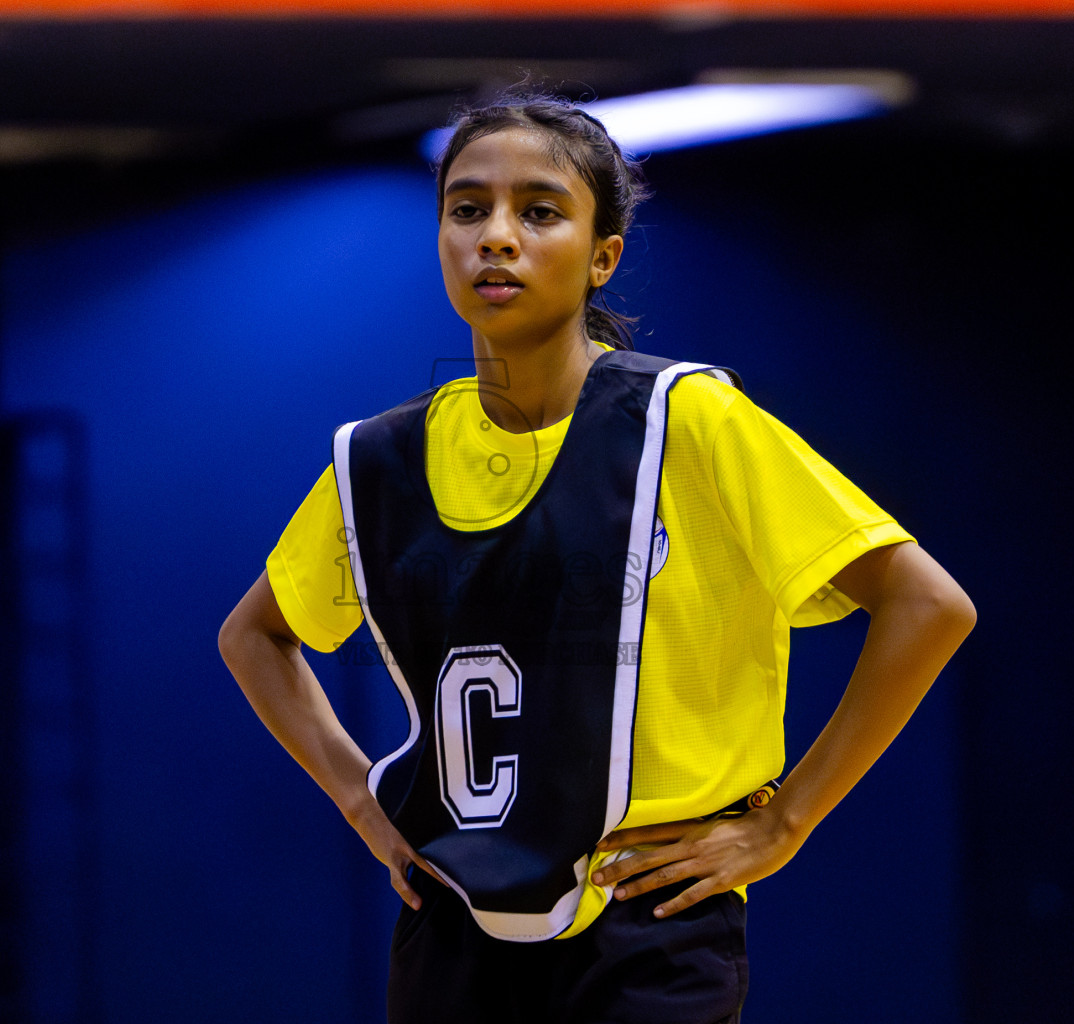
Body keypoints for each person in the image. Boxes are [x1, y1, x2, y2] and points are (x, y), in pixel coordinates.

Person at [218, 93, 976, 1024]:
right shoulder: (377, 460)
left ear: (602, 255)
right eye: (467, 208)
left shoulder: (686, 421)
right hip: (454, 918)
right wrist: (358, 799)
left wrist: (785, 821)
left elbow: (929, 605)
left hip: (647, 916)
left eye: (539, 211)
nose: (496, 236)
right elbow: (253, 636)